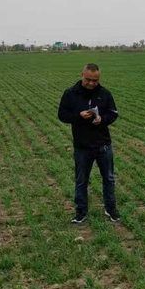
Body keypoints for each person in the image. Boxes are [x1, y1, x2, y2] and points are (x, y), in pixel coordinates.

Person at [58, 63, 120, 224]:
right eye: (88, 80)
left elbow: (113, 114)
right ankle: (81, 212)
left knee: (109, 179)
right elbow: (62, 115)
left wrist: (102, 119)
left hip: (103, 144)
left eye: (95, 80)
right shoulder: (70, 93)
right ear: (82, 75)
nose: (92, 83)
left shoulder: (105, 93)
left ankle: (111, 209)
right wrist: (78, 116)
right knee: (81, 181)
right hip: (82, 146)